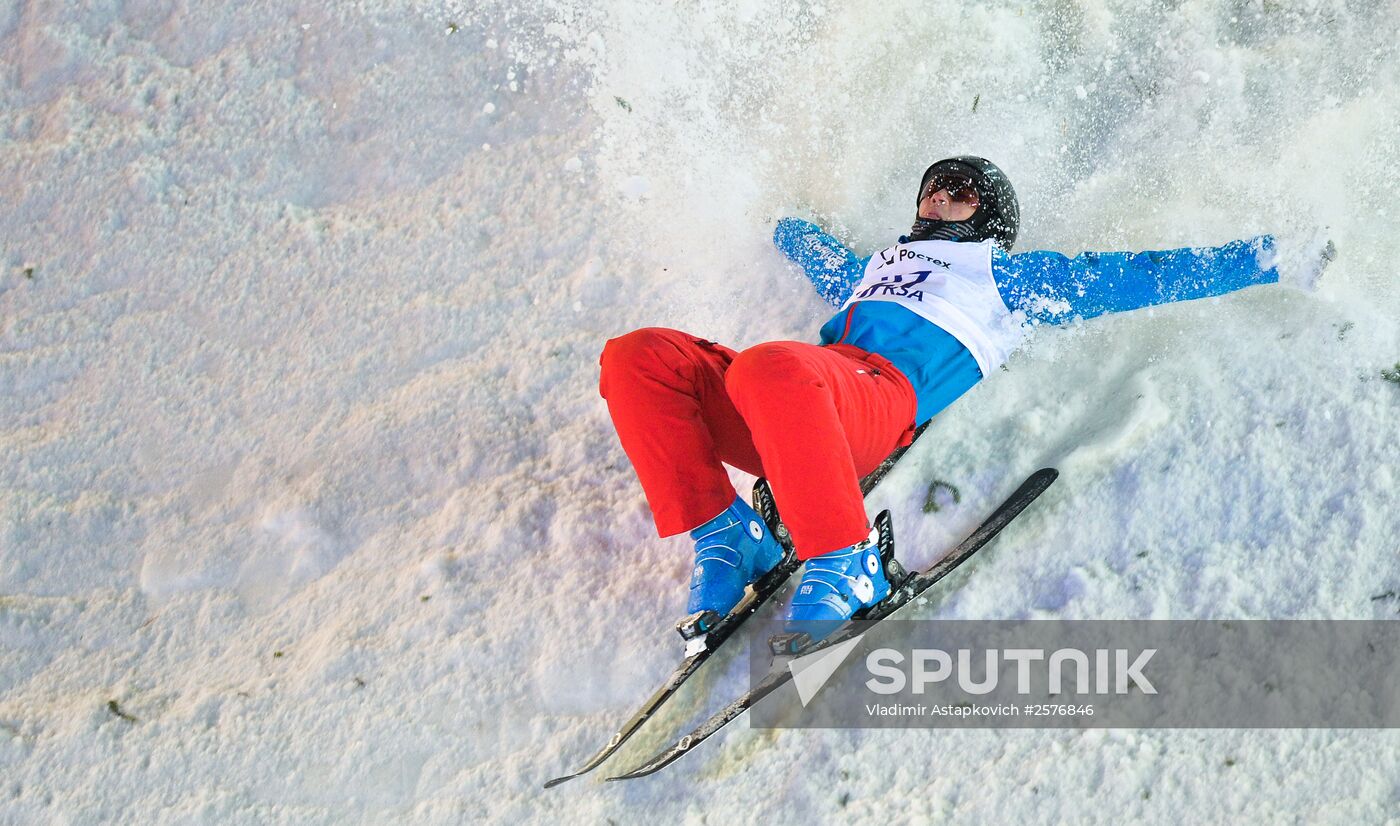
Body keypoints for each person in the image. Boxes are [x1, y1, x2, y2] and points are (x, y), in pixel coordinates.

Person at [598, 156, 1332, 645]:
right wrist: (772, 209)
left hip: (872, 405)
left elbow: (1139, 275)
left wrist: (1272, 257)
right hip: (793, 407)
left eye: (960, 191)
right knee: (638, 357)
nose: (936, 198)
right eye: (931, 188)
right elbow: (809, 246)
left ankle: (848, 558)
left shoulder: (1005, 277)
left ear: (991, 216)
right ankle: (727, 537)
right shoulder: (876, 264)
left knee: (769, 367)